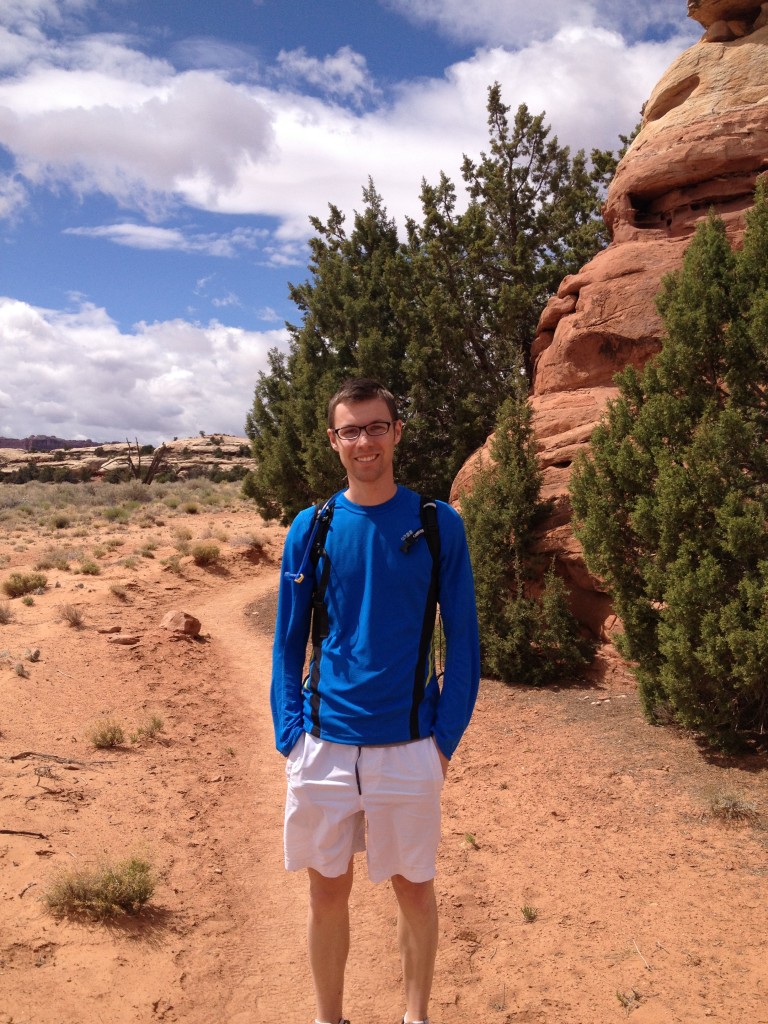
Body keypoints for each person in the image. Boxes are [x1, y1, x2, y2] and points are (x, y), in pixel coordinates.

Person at [271, 377, 480, 1024]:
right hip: (324, 746)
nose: (365, 441)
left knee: (415, 893)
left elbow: (466, 646)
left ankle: (415, 1017)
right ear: (334, 441)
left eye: (377, 426)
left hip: (410, 748)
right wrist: (290, 735)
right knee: (326, 895)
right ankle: (328, 1018)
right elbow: (287, 643)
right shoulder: (314, 527)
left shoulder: (436, 524)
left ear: (397, 432)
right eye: (351, 430)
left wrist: (442, 744)